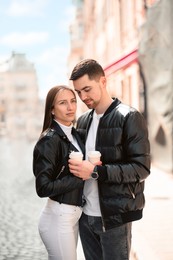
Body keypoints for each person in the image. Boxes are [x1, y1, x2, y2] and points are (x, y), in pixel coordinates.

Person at [68, 59, 151, 260]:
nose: (83, 97)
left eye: (87, 89)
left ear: (103, 82)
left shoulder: (129, 117)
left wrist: (96, 172)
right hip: (86, 217)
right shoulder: (83, 120)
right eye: (78, 92)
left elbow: (141, 168)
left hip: (115, 218)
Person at [33, 85, 85, 260]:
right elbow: (43, 187)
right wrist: (80, 178)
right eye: (63, 103)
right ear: (52, 110)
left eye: (72, 101)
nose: (70, 107)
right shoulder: (49, 140)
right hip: (58, 217)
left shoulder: (75, 134)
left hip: (72, 215)